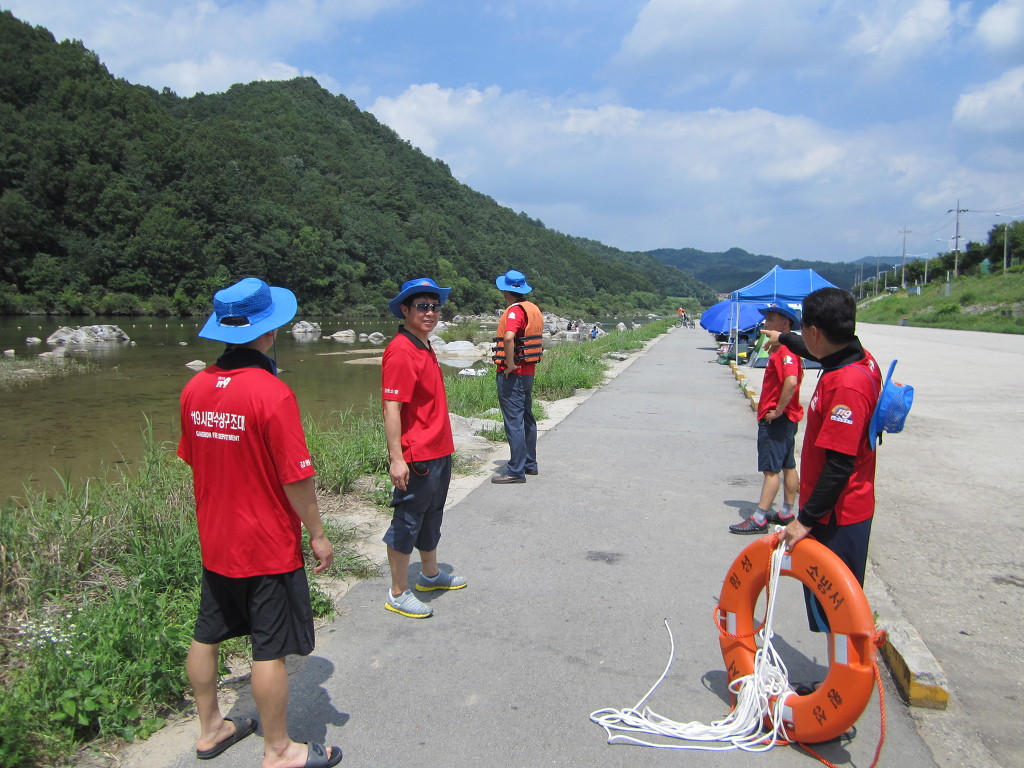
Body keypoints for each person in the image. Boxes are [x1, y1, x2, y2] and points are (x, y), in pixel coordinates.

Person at [178, 277, 342, 768]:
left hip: (216, 540)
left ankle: (210, 729)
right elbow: (296, 478)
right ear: (269, 331)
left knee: (207, 633)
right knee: (269, 648)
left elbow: (195, 458)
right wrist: (317, 533)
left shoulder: (194, 388)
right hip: (266, 544)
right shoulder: (272, 394)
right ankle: (279, 750)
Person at [760, 287, 881, 634]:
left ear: (815, 331)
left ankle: (845, 670)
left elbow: (839, 465)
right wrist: (783, 337)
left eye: (804, 330)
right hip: (837, 509)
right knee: (831, 612)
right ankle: (840, 666)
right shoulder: (854, 356)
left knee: (835, 613)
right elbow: (813, 350)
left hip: (836, 516)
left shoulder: (847, 386)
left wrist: (805, 520)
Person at [381, 277, 468, 618]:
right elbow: (392, 408)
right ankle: (398, 591)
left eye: (435, 306)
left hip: (438, 450)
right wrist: (397, 459)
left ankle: (430, 575)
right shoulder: (401, 351)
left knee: (432, 515)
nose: (430, 312)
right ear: (405, 310)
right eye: (422, 306)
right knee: (407, 520)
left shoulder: (423, 344)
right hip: (417, 454)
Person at [729, 304, 804, 534]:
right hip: (788, 418)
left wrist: (778, 410)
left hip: (777, 419)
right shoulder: (783, 349)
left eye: (771, 319)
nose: (766, 323)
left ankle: (759, 518)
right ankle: (787, 512)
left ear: (785, 324)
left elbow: (791, 381)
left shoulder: (785, 352)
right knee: (788, 465)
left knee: (771, 470)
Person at [491, 269, 544, 484]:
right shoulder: (532, 308)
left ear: (505, 290)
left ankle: (515, 470)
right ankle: (529, 464)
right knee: (526, 418)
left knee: (514, 421)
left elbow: (509, 337)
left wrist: (510, 364)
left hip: (515, 374)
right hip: (528, 373)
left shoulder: (515, 311)